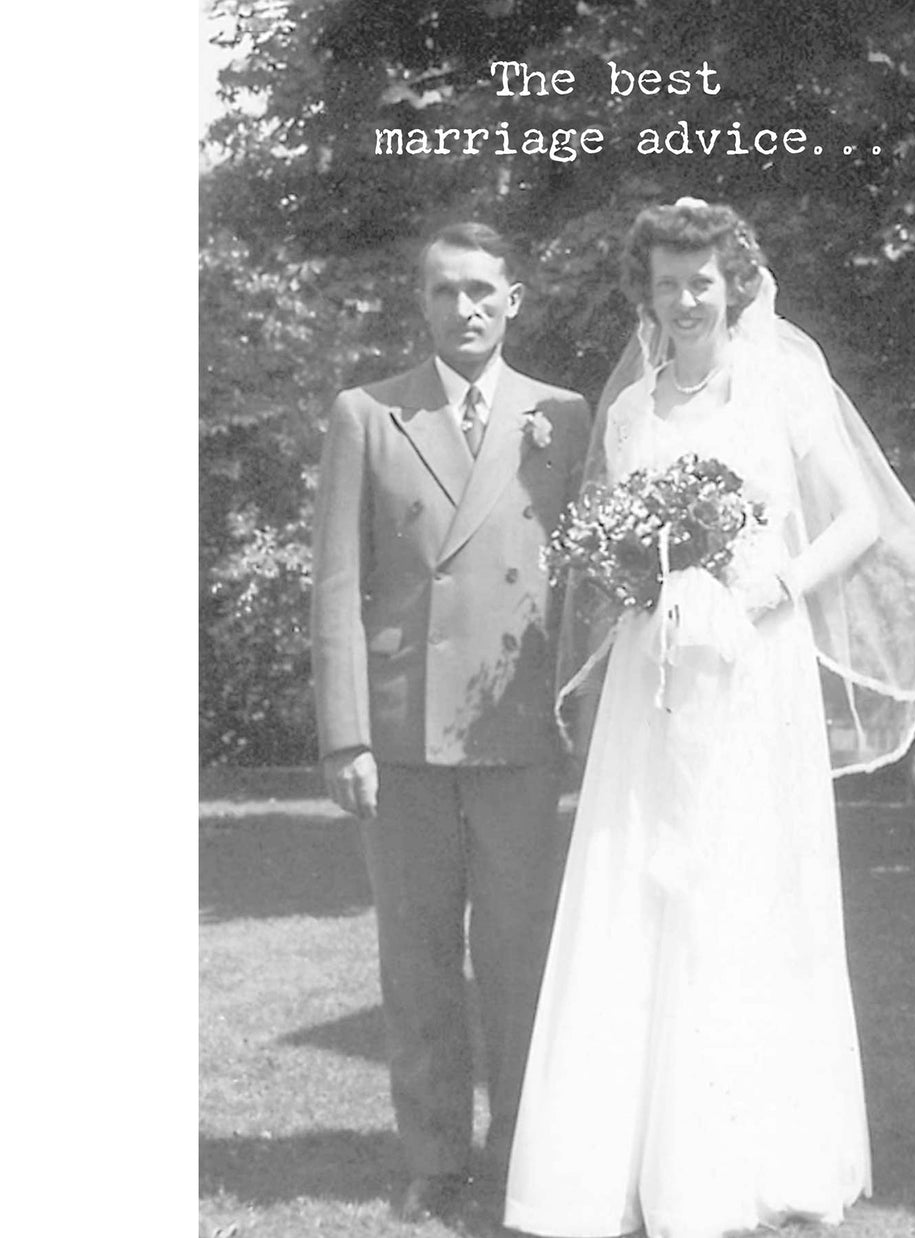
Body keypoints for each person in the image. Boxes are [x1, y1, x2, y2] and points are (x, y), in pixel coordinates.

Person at [504, 200, 915, 1238]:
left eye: (701, 280)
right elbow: (612, 540)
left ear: (733, 283)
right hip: (656, 673)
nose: (685, 299)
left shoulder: (784, 384)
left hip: (754, 660)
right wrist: (640, 578)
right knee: (639, 875)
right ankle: (614, 1163)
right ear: (645, 294)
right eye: (666, 283)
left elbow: (859, 517)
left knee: (744, 876)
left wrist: (777, 585)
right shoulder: (629, 413)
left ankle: (747, 1159)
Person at [310, 222, 592, 1224]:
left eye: (481, 290)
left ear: (513, 300)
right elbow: (337, 586)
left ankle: (518, 1151)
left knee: (519, 955)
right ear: (420, 303)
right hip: (403, 736)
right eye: (443, 291)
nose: (463, 308)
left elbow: (586, 585)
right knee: (418, 955)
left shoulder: (564, 415)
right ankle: (433, 1157)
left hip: (519, 732)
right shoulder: (368, 414)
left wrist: (588, 717)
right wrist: (345, 734)